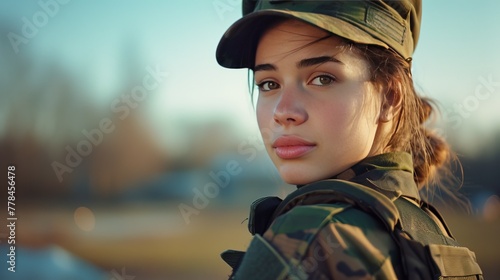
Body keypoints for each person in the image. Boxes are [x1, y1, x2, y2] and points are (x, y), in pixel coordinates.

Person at [216, 1, 483, 279]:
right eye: (268, 84)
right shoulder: (428, 231)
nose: (283, 112)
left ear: (390, 97)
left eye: (322, 79)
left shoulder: (309, 238)